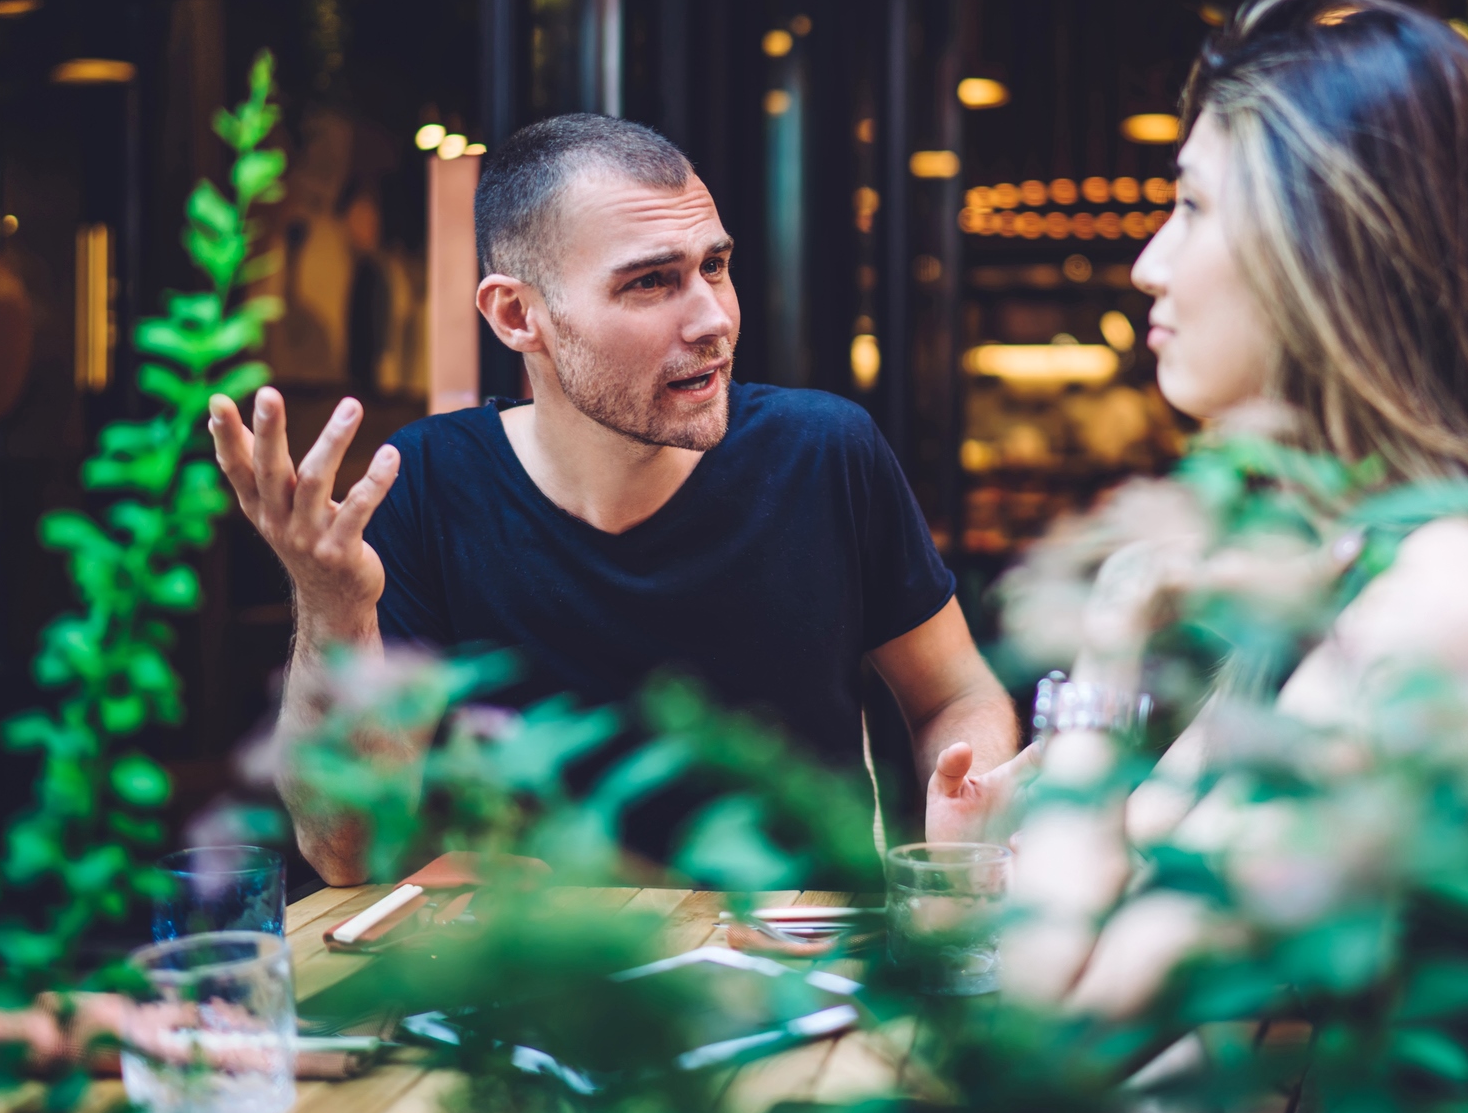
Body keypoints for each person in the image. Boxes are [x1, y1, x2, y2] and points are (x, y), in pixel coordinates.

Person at [999, 0, 1468, 1113]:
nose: (1149, 266)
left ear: (1327, 244)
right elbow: (1137, 875)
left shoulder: (1462, 591)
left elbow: (1059, 1018)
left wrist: (1105, 650)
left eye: (1191, 207)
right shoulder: (1366, 552)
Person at [209, 115, 1030, 884]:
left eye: (714, 265)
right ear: (517, 315)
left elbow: (954, 693)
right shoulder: (425, 484)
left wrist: (972, 796)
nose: (713, 318)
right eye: (650, 283)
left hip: (794, 973)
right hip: (544, 995)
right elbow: (344, 851)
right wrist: (332, 604)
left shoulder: (825, 451)